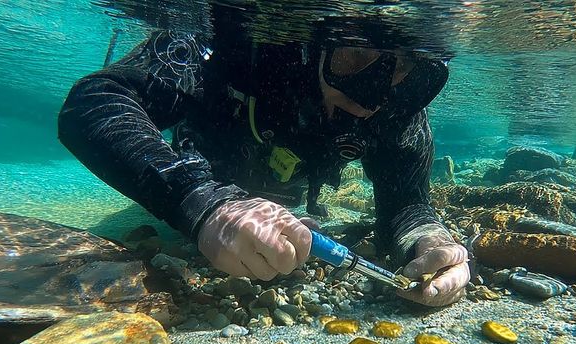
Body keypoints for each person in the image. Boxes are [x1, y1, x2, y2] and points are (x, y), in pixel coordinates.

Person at [58, 27, 470, 306]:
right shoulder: (231, 44)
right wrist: (205, 203)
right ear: (314, 41)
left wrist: (428, 240)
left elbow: (407, 205)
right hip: (207, 170)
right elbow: (95, 101)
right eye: (356, 54)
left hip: (278, 194)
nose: (372, 95)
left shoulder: (399, 105)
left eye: (403, 67)